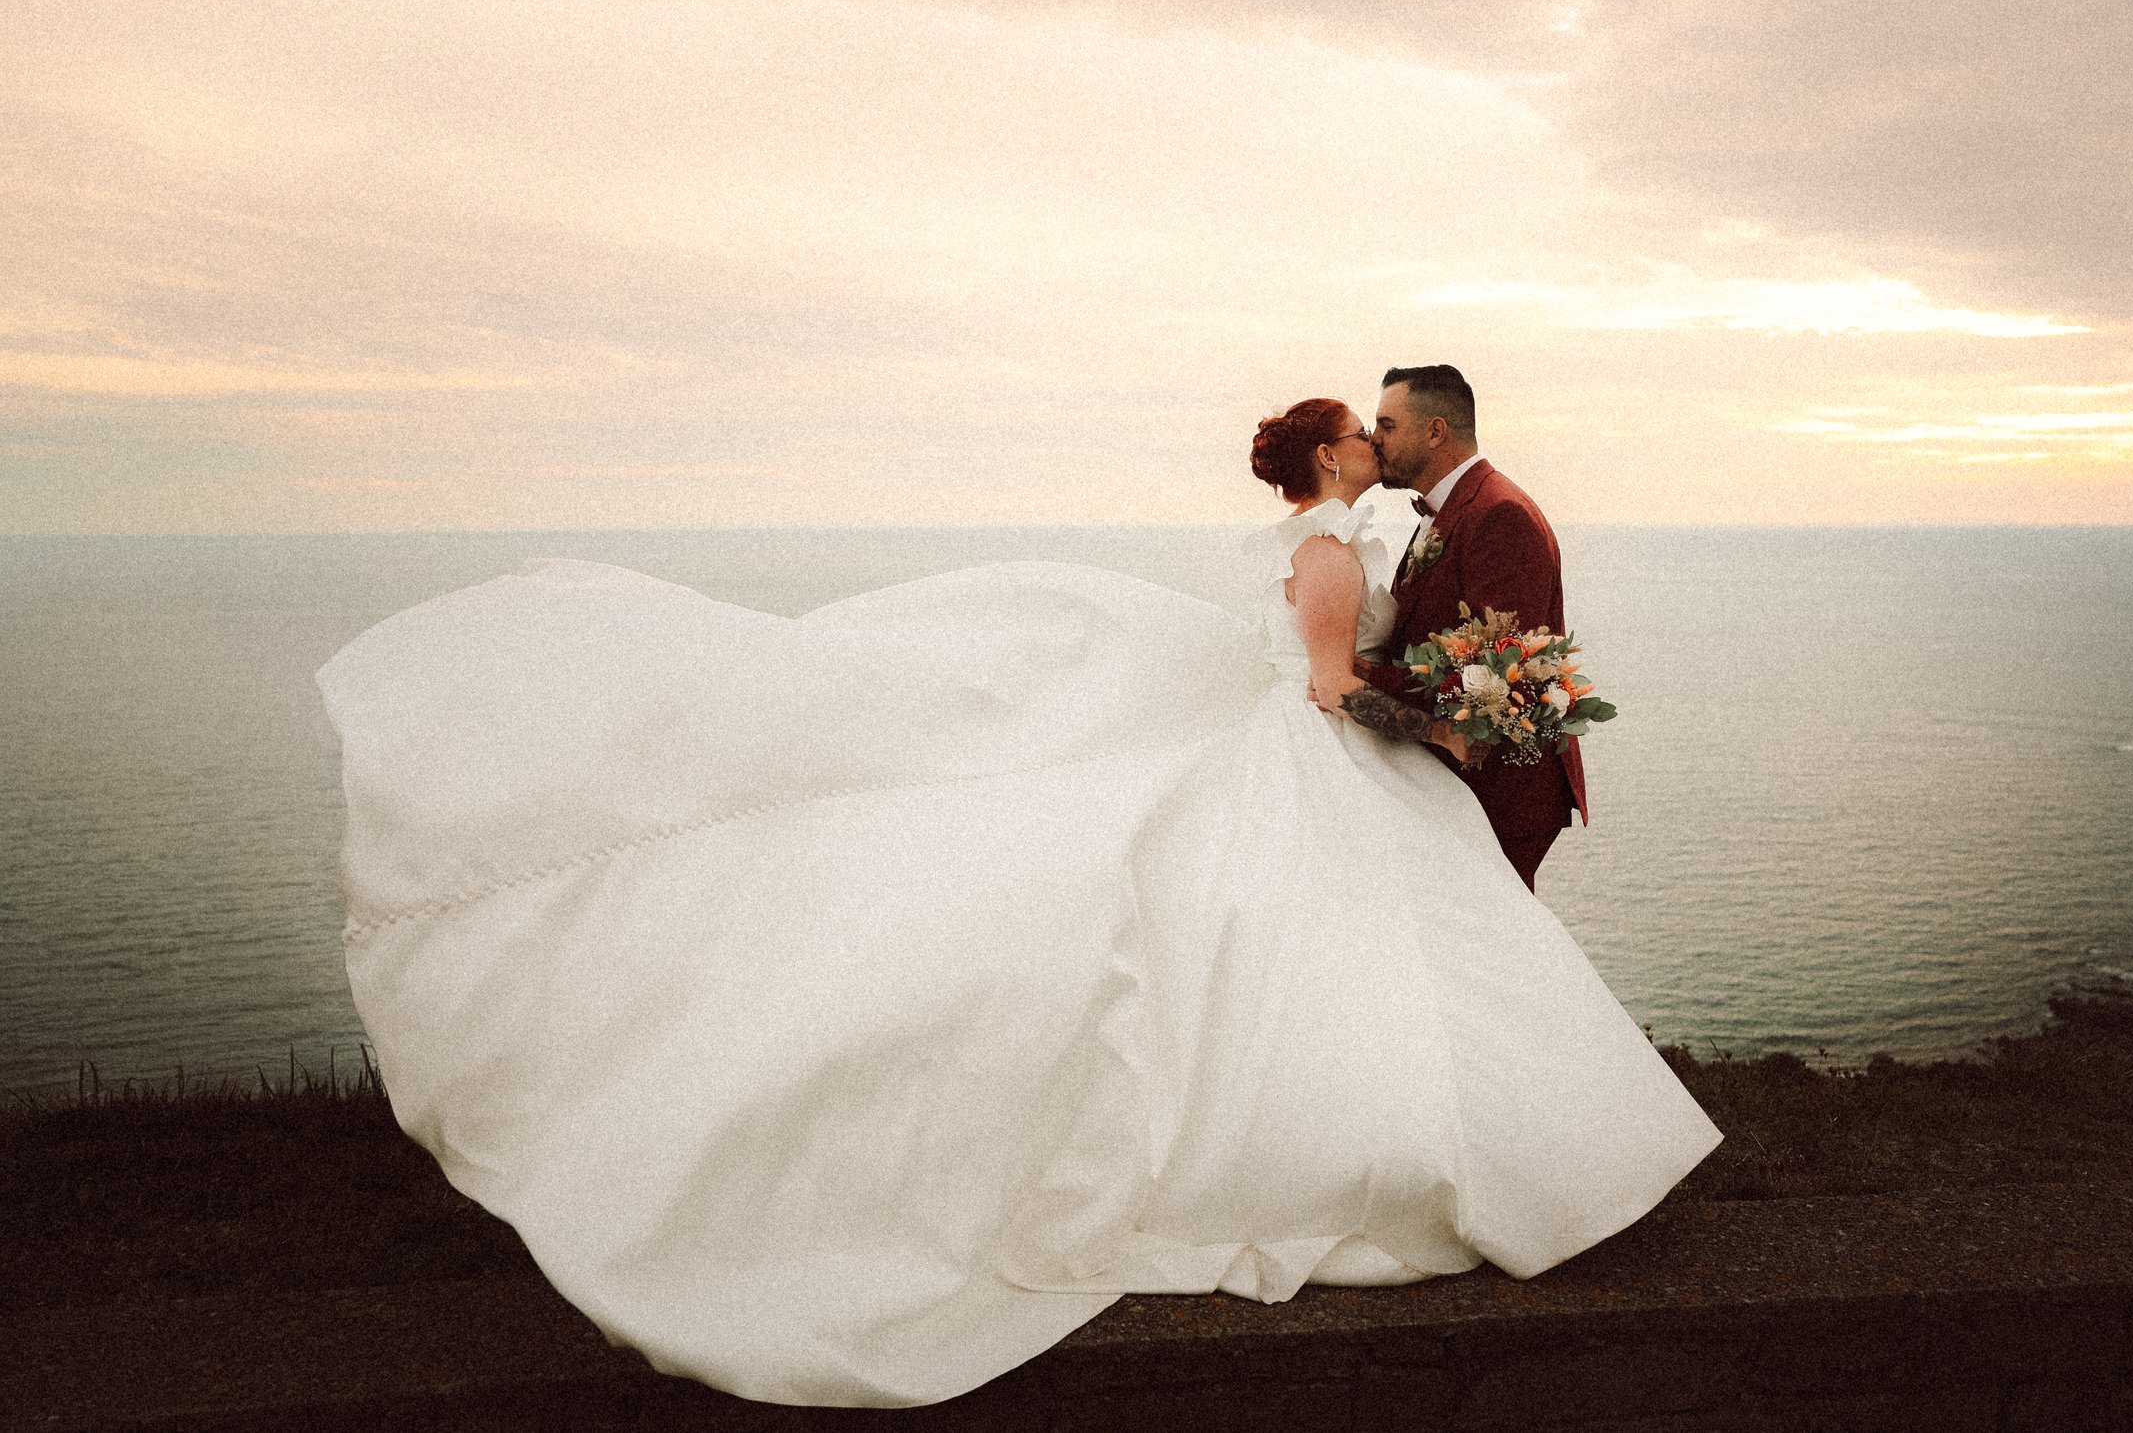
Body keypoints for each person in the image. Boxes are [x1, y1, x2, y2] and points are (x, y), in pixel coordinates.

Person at [316, 396, 1720, 1410]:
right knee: (1328, 951)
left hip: (1314, 748)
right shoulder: (1333, 548)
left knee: (1354, 947)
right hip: (1320, 752)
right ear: (1326, 457)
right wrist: (1438, 724)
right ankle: (1446, 1143)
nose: (1373, 439)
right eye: (1359, 431)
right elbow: (1326, 682)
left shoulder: (1319, 538)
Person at [1358, 365, 1585, 888]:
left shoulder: (1499, 514)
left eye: (1387, 425)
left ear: (1435, 431)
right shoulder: (1450, 509)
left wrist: (1361, 678)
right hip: (1457, 779)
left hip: (1498, 785)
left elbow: (1499, 677)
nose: (1374, 439)